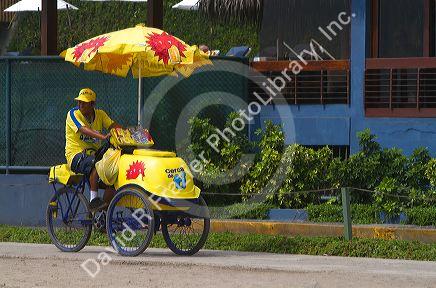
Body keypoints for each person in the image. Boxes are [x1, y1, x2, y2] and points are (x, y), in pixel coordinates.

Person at [65, 88, 122, 211]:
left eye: (84, 103)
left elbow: (113, 125)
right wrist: (102, 136)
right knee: (96, 165)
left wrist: (125, 134)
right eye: (79, 102)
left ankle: (103, 216)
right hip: (75, 155)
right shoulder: (73, 114)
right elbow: (83, 129)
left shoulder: (100, 114)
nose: (80, 105)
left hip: (95, 155)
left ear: (92, 104)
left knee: (112, 181)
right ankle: (93, 202)